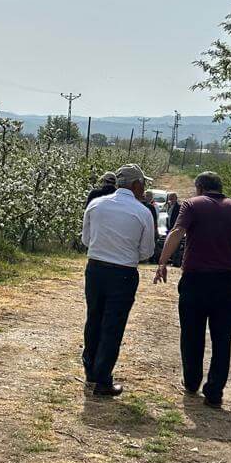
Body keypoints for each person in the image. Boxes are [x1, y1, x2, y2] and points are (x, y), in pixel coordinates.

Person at [155, 172, 231, 406]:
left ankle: (192, 382)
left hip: (195, 280)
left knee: (192, 334)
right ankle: (214, 392)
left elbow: (176, 232)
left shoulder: (192, 205)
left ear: (200, 188)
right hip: (226, 283)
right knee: (222, 338)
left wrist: (163, 262)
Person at [79, 163, 154, 397]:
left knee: (94, 319)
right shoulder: (142, 212)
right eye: (143, 184)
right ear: (136, 185)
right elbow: (147, 252)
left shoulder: (96, 204)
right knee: (113, 325)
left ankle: (91, 370)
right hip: (123, 272)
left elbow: (86, 240)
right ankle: (103, 378)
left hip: (95, 269)